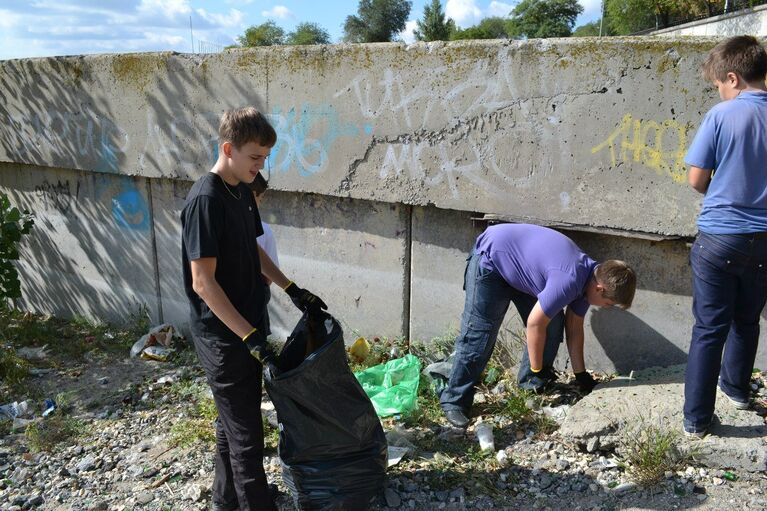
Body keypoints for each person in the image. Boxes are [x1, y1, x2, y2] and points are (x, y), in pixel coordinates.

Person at [181, 106, 327, 511]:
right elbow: (202, 282)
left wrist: (292, 289)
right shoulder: (205, 201)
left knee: (234, 422)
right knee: (247, 437)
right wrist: (247, 337)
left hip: (250, 323)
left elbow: (254, 250)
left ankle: (223, 501)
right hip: (224, 336)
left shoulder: (243, 191)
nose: (261, 166)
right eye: (255, 157)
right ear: (228, 148)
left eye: (265, 157)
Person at [439, 223, 636, 428]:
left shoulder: (591, 279)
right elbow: (534, 324)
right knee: (480, 335)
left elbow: (574, 327)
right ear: (599, 289)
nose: (605, 307)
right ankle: (454, 401)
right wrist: (536, 366)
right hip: (492, 261)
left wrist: (581, 375)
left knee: (553, 323)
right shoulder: (569, 280)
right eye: (609, 304)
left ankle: (531, 385)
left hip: (519, 269)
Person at [682, 36, 767, 438]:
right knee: (747, 320)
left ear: (733, 77)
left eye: (719, 83)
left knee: (709, 328)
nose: (719, 90)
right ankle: (736, 390)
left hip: (719, 238)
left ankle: (697, 420)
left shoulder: (723, 115)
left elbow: (697, 179)